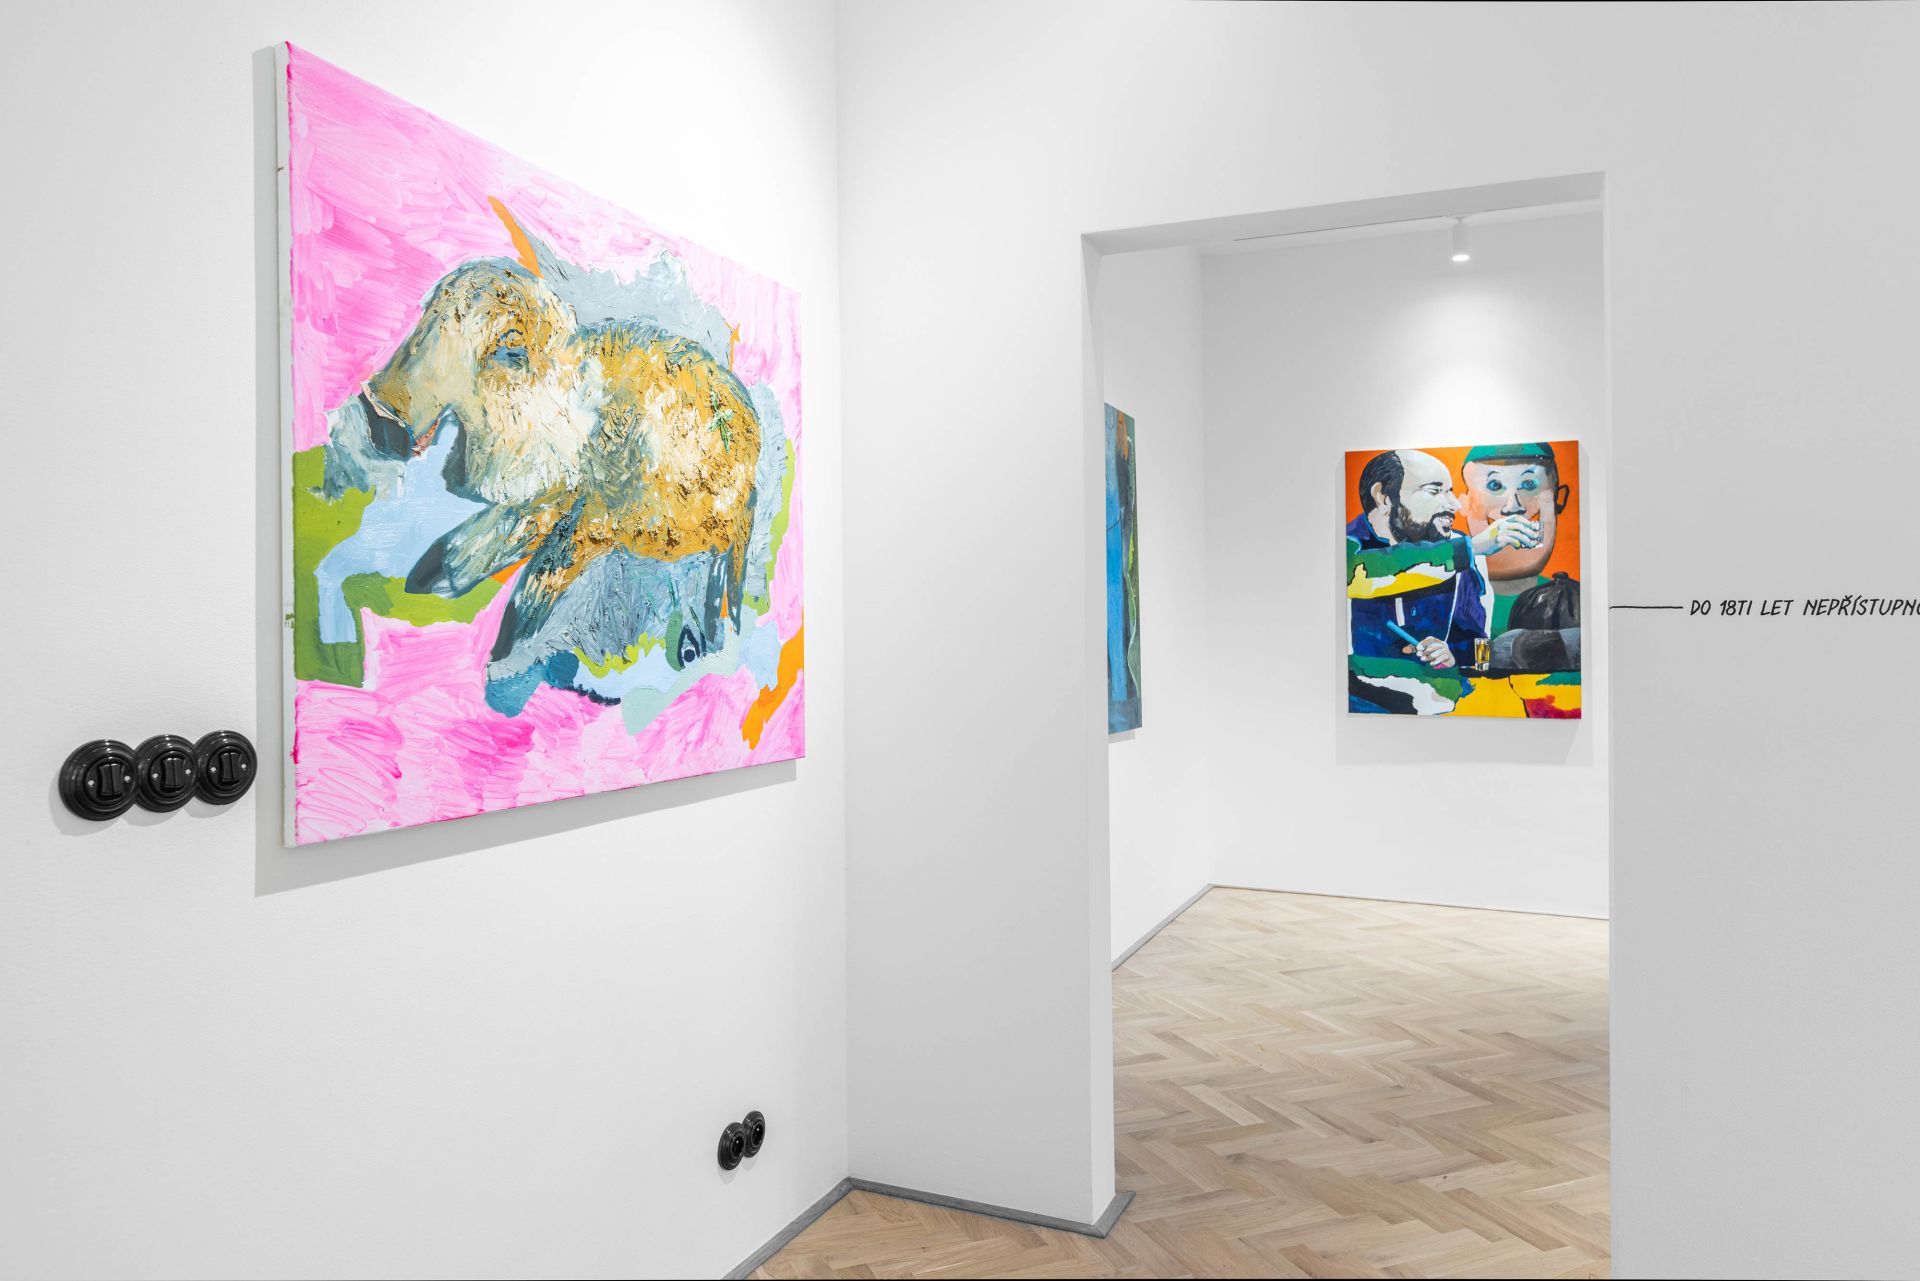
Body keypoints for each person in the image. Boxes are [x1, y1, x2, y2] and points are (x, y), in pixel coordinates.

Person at [1346, 449, 1538, 713]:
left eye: (1450, 492)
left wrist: (1452, 654)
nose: (1454, 505)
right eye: (1435, 491)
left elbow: (1480, 651)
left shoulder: (1464, 552)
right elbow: (1360, 574)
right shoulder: (1346, 549)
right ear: (1383, 497)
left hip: (1445, 710)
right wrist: (1472, 547)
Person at [1460, 441, 1571, 637]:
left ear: (1558, 499)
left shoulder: (1570, 602)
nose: (1512, 507)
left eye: (1529, 485)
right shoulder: (1450, 603)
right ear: (1465, 505)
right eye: (1494, 485)